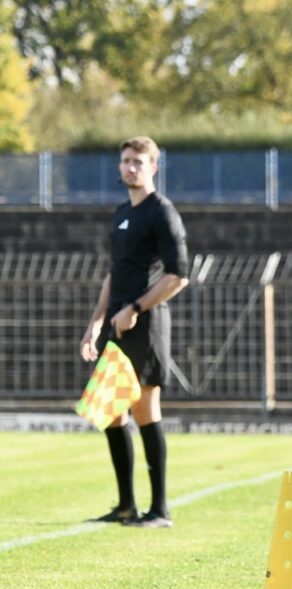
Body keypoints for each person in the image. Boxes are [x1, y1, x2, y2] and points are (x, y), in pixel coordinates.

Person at [80, 136, 189, 529]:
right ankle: (126, 505)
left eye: (138, 162)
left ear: (153, 167)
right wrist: (97, 320)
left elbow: (179, 276)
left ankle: (159, 510)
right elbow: (115, 272)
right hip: (117, 323)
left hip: (146, 324)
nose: (131, 168)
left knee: (144, 409)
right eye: (125, 161)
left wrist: (137, 309)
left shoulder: (163, 212)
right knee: (109, 411)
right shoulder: (123, 212)